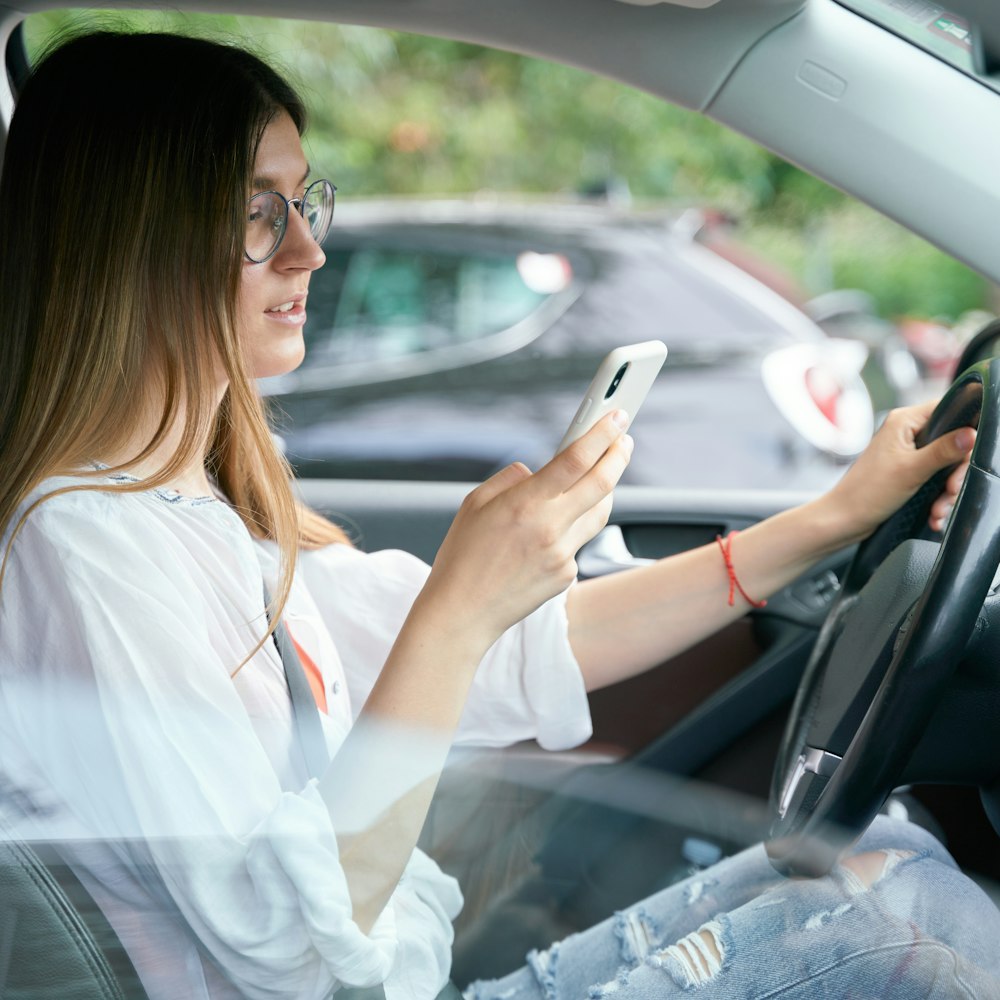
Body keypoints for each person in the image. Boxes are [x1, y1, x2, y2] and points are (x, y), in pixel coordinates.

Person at [0, 28, 996, 1000]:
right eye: (260, 212)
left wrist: (833, 516)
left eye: (306, 204)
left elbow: (527, 649)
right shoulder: (85, 545)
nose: (308, 249)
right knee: (876, 936)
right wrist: (461, 609)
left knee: (892, 855)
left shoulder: (208, 520)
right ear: (135, 233)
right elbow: (289, 952)